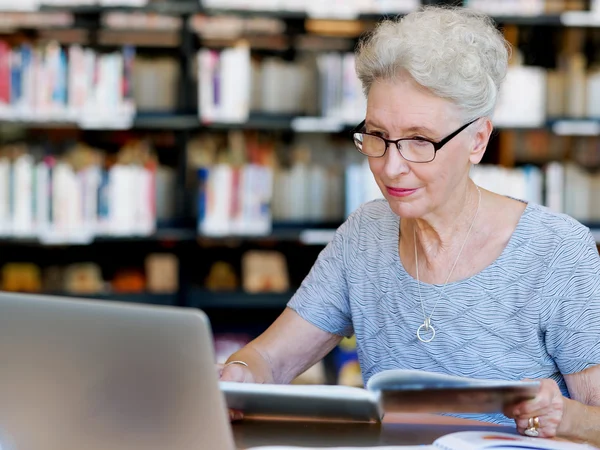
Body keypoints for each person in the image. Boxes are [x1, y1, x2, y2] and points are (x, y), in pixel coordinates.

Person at [218, 5, 600, 445]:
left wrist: (561, 417)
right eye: (377, 136)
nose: (391, 166)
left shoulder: (555, 250)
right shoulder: (364, 235)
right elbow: (270, 357)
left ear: (477, 140)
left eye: (419, 140)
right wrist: (240, 374)